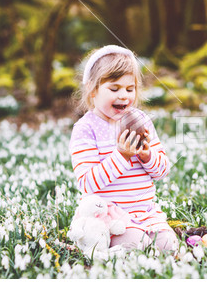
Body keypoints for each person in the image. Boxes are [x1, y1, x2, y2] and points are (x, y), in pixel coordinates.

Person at [69, 45, 178, 251]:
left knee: (169, 246)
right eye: (114, 88)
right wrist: (122, 156)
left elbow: (162, 170)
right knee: (138, 246)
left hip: (145, 212)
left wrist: (146, 155)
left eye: (130, 89)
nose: (124, 96)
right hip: (108, 217)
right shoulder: (86, 129)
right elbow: (88, 184)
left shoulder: (141, 121)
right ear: (93, 90)